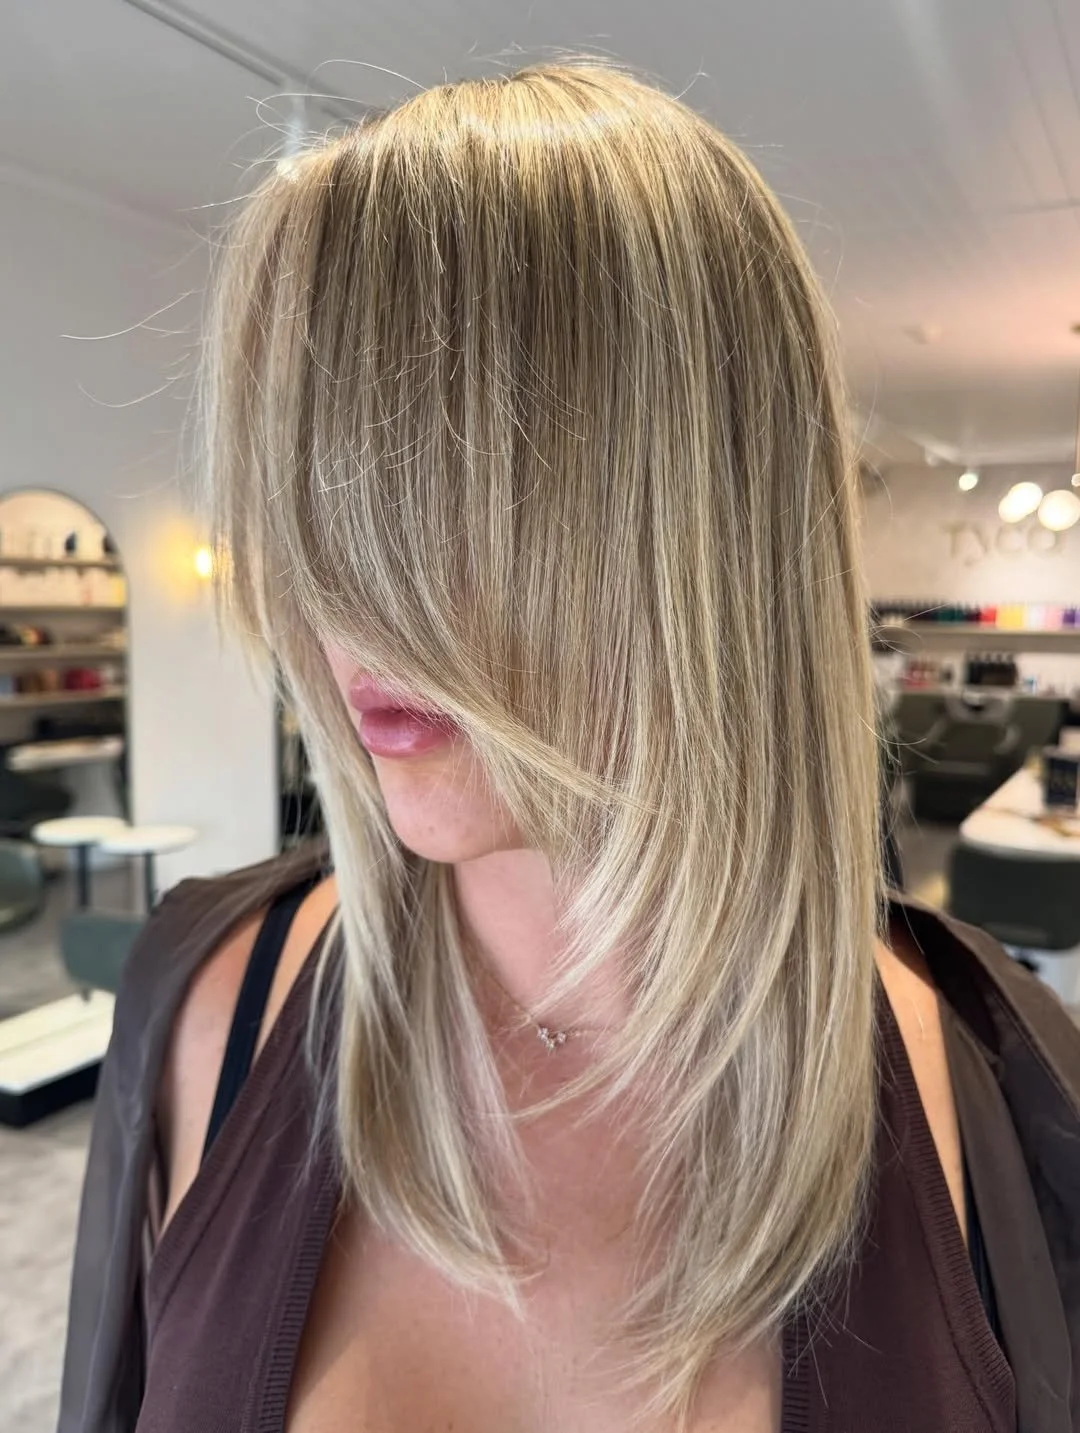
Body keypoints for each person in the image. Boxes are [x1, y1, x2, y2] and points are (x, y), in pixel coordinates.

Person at [61, 63, 1080, 1433]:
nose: (342, 602)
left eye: (460, 499)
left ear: (702, 532)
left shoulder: (1003, 1087)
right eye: (314, 490)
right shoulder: (203, 1007)